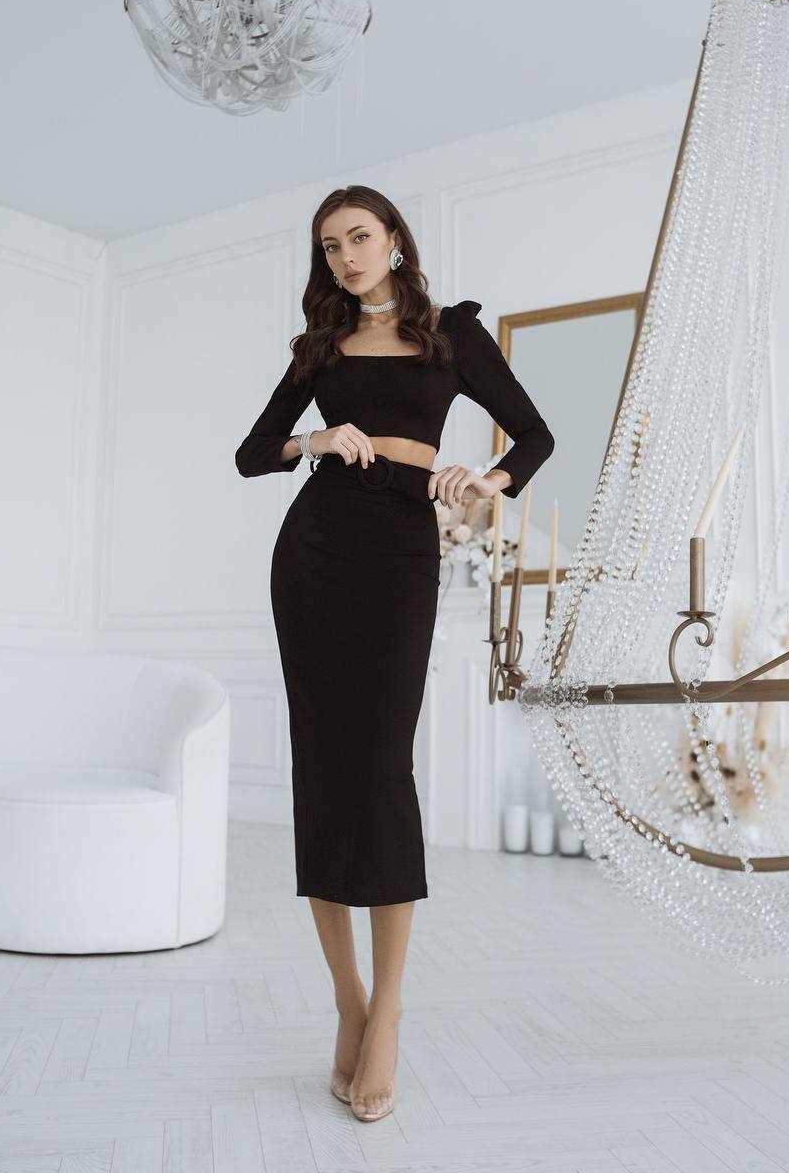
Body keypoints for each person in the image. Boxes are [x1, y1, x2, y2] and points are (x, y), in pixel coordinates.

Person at [235, 184, 555, 1122]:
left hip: (401, 547)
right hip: (316, 546)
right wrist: (313, 436)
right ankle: (347, 1004)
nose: (344, 255)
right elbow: (253, 453)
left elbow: (534, 435)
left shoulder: (452, 334)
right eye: (329, 244)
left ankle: (391, 1012)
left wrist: (483, 477)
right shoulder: (319, 348)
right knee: (323, 773)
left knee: (378, 771)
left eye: (359, 236)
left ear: (396, 242)